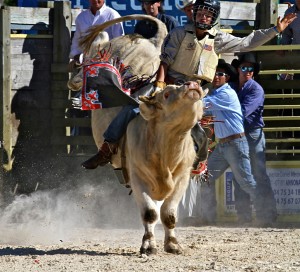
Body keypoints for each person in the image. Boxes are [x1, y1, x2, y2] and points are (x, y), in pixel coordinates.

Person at [81, 0, 296, 170]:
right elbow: (164, 61)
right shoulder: (179, 34)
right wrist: (159, 84)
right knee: (133, 107)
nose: (203, 17)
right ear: (195, 15)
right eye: (200, 13)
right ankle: (107, 148)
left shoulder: (217, 39)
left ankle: (196, 164)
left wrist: (275, 31)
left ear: (213, 17)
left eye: (207, 14)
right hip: (170, 85)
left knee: (200, 133)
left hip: (196, 92)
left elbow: (247, 42)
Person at [199, 59, 264, 225]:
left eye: (220, 74)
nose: (216, 76)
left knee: (247, 182)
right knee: (206, 177)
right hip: (225, 144)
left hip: (235, 144)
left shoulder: (225, 94)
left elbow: (200, 105)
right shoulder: (219, 93)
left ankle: (264, 215)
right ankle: (208, 216)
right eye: (214, 73)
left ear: (227, 77)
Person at [230, 53, 277, 224]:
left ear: (254, 72)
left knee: (257, 173)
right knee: (240, 173)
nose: (247, 71)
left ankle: (267, 215)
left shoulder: (255, 89)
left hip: (250, 132)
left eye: (250, 68)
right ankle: (244, 216)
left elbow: (242, 113)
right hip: (239, 133)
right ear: (238, 69)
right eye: (244, 67)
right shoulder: (233, 87)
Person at [69, 0, 124, 65]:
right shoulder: (81, 17)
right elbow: (77, 39)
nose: (95, 0)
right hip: (85, 62)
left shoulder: (113, 15)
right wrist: (75, 55)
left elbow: (119, 41)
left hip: (107, 63)